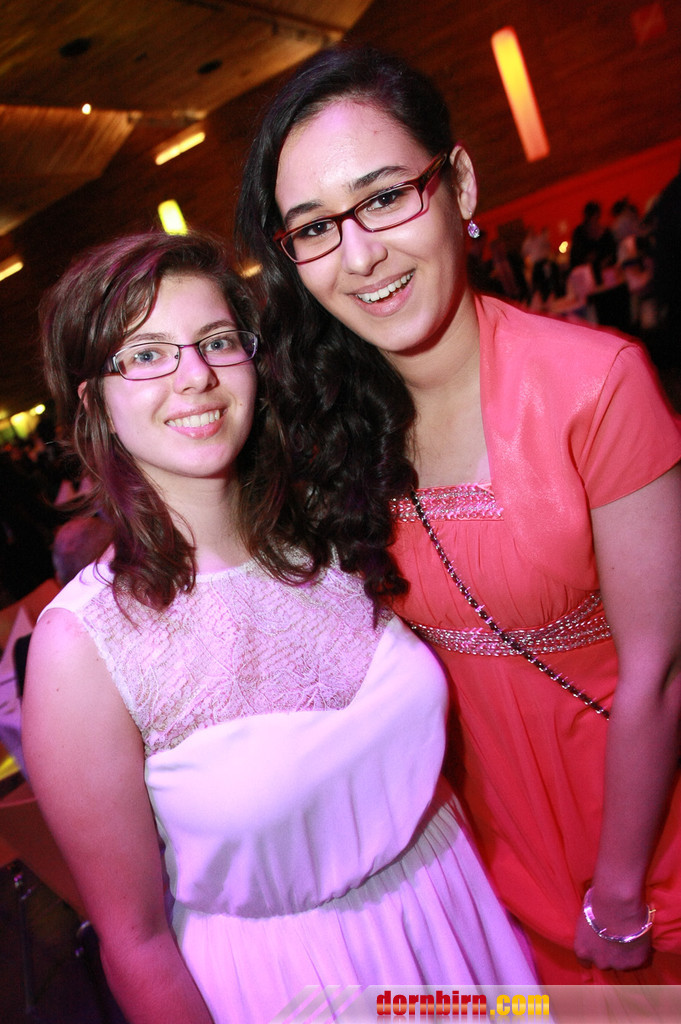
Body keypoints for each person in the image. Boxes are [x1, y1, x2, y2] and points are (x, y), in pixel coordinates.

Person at [235, 44, 681, 985]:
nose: (360, 255)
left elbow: (661, 669)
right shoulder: (330, 434)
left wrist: (617, 893)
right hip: (473, 876)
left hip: (643, 856)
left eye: (385, 197)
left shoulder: (596, 387)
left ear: (459, 185)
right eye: (313, 228)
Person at [21, 231, 537, 1024]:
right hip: (297, 983)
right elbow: (135, 940)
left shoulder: (334, 538)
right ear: (95, 404)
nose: (195, 376)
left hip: (454, 917)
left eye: (216, 341)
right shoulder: (84, 645)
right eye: (147, 355)